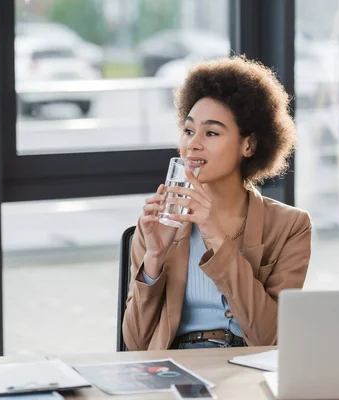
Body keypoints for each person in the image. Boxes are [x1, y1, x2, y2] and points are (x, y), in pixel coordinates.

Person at [122, 56, 312, 351]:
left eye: (211, 133)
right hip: (178, 371)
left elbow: (271, 339)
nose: (193, 144)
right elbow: (135, 346)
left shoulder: (290, 226)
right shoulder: (160, 223)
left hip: (249, 371)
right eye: (188, 130)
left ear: (248, 145)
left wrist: (215, 236)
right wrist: (155, 257)